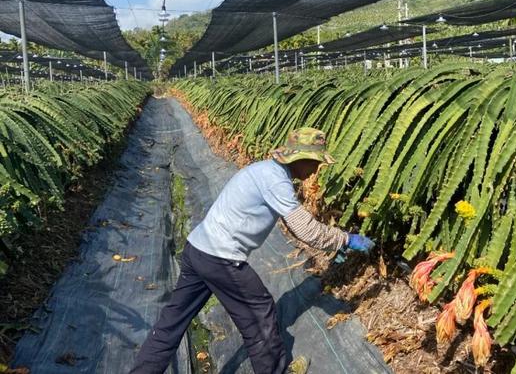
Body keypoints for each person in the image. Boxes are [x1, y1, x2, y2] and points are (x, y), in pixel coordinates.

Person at [130, 127, 375, 374]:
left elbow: (290, 222)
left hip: (198, 250)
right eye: (315, 162)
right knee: (261, 317)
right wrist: (346, 239)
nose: (316, 169)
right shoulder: (276, 181)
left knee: (172, 322)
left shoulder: (264, 170)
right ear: (299, 159)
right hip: (220, 257)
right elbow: (306, 230)